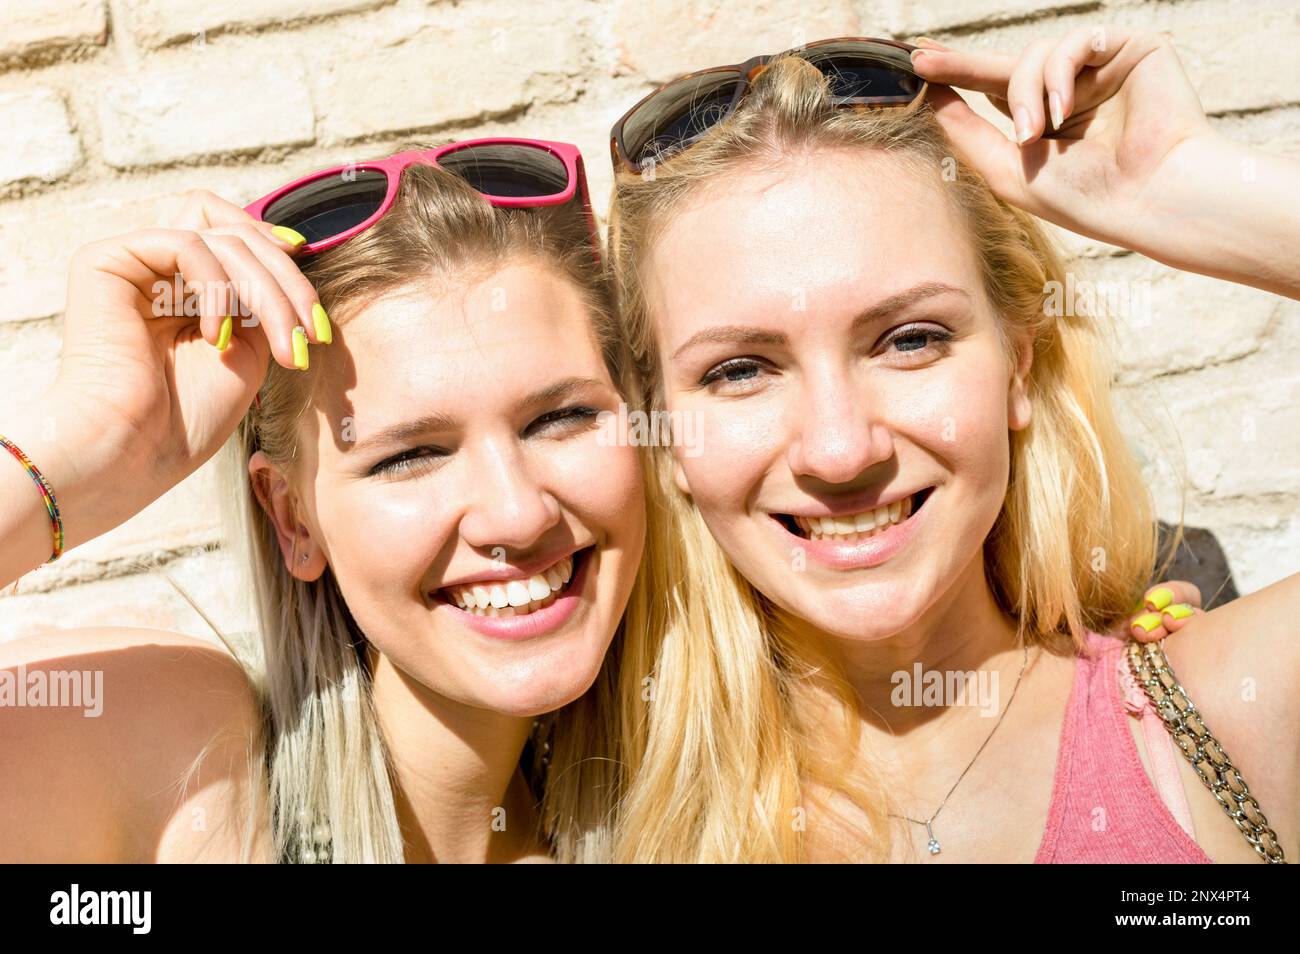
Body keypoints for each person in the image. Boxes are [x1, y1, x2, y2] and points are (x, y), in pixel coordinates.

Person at [602, 31, 1298, 862]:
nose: (838, 449)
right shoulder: (593, 810)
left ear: (1017, 361)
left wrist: (1183, 193)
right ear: (664, 428)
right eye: (741, 369)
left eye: (908, 340)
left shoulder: (1229, 712)